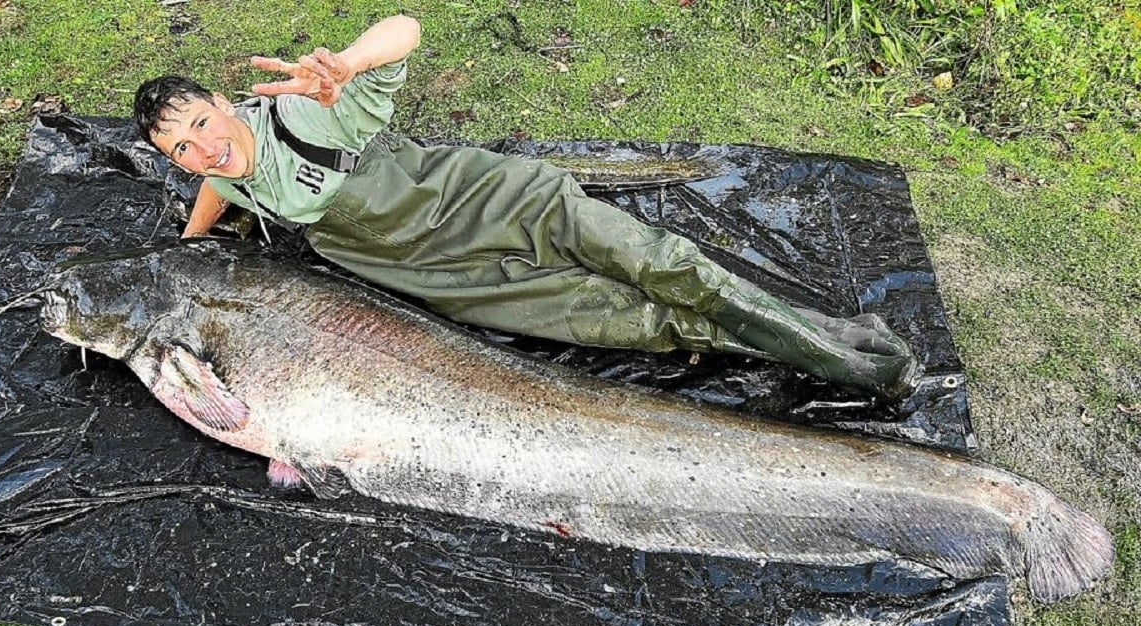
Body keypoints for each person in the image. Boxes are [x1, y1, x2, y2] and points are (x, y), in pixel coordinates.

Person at [133, 14, 921, 399]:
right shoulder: (222, 167)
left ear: (224, 102)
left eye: (203, 125)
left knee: (662, 263)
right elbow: (219, 183)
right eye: (181, 150)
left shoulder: (313, 114)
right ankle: (811, 348)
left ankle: (851, 356)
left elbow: (407, 27)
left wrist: (351, 61)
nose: (202, 150)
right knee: (639, 322)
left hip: (504, 201)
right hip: (449, 278)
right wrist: (190, 236)